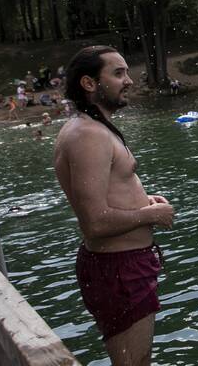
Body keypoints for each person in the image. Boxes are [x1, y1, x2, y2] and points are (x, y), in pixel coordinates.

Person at [53, 46, 174, 365]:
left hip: (123, 265)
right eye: (118, 73)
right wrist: (150, 214)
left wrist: (142, 201)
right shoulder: (87, 135)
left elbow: (105, 197)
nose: (129, 80)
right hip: (118, 268)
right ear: (89, 83)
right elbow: (94, 222)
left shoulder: (93, 128)